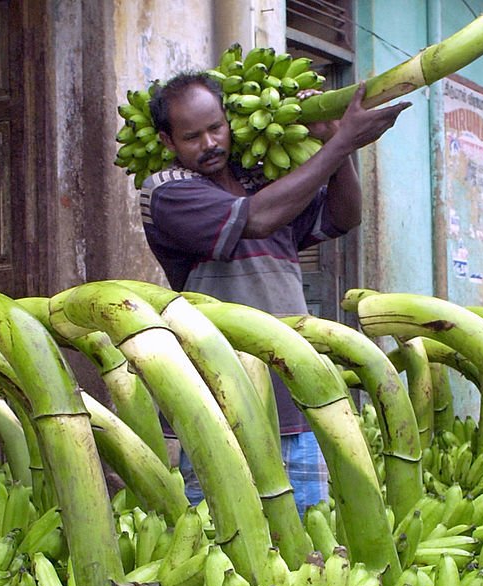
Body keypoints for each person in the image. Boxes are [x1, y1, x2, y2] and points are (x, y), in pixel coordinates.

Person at [139, 69, 410, 516]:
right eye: (191, 136)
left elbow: (345, 216)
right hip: (220, 409)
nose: (209, 144)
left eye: (216, 128)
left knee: (307, 547)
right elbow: (256, 219)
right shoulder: (168, 192)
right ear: (168, 142)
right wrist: (343, 143)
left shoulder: (263, 182)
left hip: (297, 401)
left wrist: (333, 144)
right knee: (225, 546)